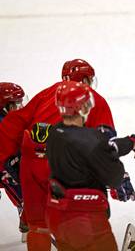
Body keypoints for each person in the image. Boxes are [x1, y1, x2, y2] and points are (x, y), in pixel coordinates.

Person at [45, 81, 135, 251]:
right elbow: (114, 177)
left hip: (57, 216)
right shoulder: (92, 141)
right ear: (81, 108)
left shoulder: (54, 133)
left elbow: (100, 148)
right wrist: (120, 171)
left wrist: (133, 141)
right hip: (84, 221)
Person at [0, 59, 116, 251]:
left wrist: (6, 159)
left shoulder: (47, 93)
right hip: (62, 169)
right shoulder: (93, 98)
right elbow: (106, 143)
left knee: (38, 226)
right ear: (86, 79)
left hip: (31, 167)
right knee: (73, 221)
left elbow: (16, 123)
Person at [0, 82, 29, 236]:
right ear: (5, 106)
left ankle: (25, 214)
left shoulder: (10, 121)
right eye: (16, 104)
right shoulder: (4, 126)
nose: (20, 107)